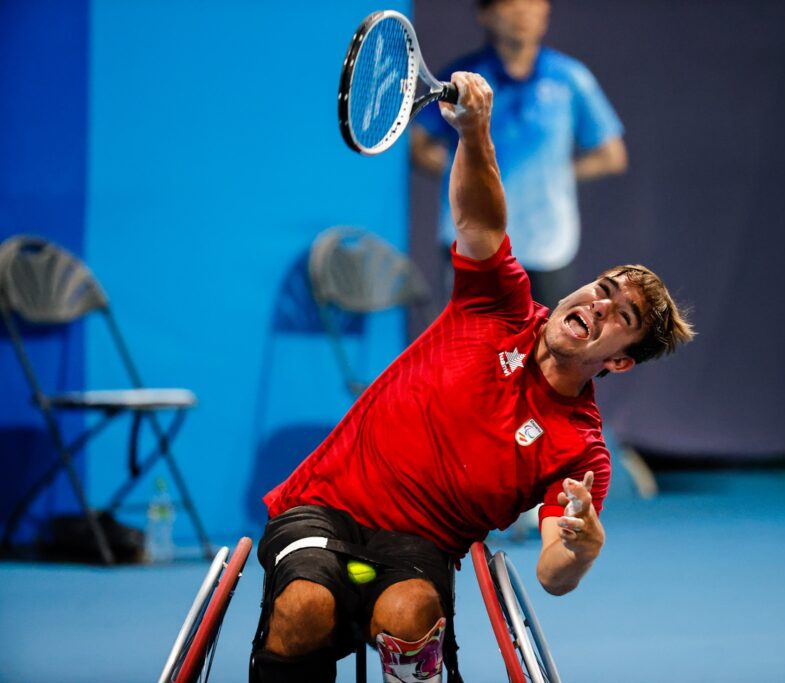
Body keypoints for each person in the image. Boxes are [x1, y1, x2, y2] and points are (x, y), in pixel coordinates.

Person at [249, 72, 693, 683]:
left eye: (623, 316)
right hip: (324, 504)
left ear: (619, 360)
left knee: (409, 614)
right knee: (306, 607)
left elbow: (552, 570)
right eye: (604, 288)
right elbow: (481, 221)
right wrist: (474, 130)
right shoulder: (499, 305)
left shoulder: (578, 449)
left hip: (419, 544)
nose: (599, 304)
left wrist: (581, 547)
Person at [412, 0, 627, 310]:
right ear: (485, 14)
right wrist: (472, 180)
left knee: (541, 354)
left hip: (549, 248)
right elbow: (419, 146)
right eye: (512, 4)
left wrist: (551, 177)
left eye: (534, 3)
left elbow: (611, 155)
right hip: (474, 247)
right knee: (472, 354)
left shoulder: (570, 78)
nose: (524, 13)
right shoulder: (463, 82)